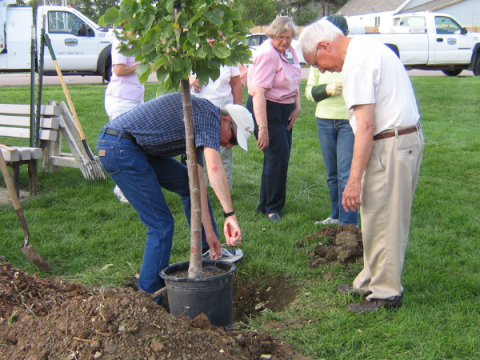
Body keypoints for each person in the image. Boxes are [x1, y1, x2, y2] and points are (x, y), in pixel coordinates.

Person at [299, 19, 424, 313]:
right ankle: (369, 280)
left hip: (389, 144)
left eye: (317, 63)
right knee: (374, 215)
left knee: (386, 219)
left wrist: (353, 180)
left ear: (324, 46)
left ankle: (386, 294)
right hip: (396, 140)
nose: (323, 71)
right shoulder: (366, 48)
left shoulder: (356, 62)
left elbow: (366, 125)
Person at [97, 92, 254, 301]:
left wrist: (209, 232)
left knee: (189, 188)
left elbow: (196, 184)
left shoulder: (197, 123)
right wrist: (230, 215)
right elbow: (214, 168)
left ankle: (207, 251)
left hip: (134, 148)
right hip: (120, 146)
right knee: (160, 225)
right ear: (226, 120)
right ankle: (148, 296)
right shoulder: (207, 114)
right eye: (233, 139)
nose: (228, 146)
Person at [247, 16, 302, 222]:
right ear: (272, 34)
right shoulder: (267, 54)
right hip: (266, 108)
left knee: (279, 157)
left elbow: (295, 80)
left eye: (288, 38)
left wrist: (297, 106)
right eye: (281, 37)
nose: (285, 42)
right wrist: (262, 128)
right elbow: (258, 94)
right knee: (278, 157)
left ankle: (265, 204)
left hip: (285, 109)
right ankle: (273, 208)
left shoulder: (289, 51)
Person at [305, 15, 358, 227]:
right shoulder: (318, 63)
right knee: (333, 174)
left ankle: (348, 224)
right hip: (324, 121)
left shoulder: (352, 58)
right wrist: (326, 90)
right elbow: (309, 93)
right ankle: (335, 215)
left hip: (348, 121)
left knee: (346, 172)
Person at [104, 32, 145, 203]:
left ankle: (128, 187)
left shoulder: (138, 40)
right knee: (124, 146)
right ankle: (122, 189)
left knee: (135, 145)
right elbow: (119, 69)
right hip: (121, 99)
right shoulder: (121, 39)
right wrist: (141, 65)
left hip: (135, 99)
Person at [190, 64, 243, 189]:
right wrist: (189, 80)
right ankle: (201, 189)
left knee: (223, 154)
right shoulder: (190, 50)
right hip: (198, 111)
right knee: (199, 154)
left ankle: (223, 188)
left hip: (223, 112)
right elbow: (177, 81)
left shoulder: (227, 54)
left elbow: (236, 84)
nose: (211, 42)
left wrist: (238, 113)